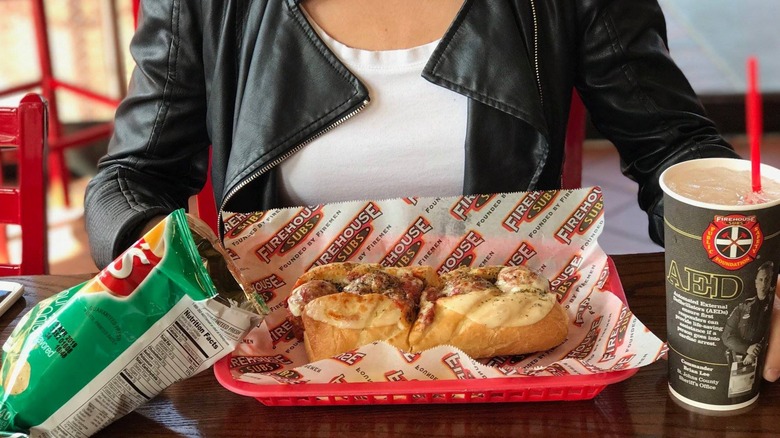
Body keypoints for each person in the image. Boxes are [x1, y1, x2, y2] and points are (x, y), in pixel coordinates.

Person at [85, 0, 779, 381]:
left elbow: (674, 147)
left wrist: (757, 264)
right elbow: (130, 178)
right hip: (287, 365)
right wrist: (163, 264)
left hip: (519, 369)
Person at [722, 261, 774, 367]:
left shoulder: (774, 303)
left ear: (771, 281)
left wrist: (754, 352)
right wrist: (747, 349)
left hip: (762, 361)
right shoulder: (743, 306)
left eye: (767, 279)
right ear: (755, 282)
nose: (763, 283)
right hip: (739, 361)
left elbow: (769, 334)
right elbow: (726, 336)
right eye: (761, 279)